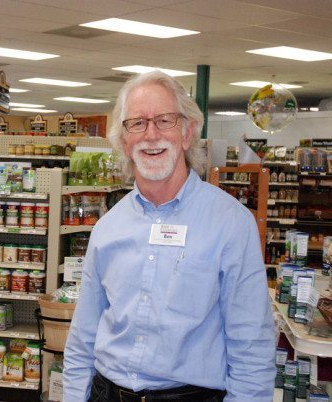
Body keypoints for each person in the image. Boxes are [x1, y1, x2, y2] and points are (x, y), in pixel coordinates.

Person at [63, 71, 276, 402]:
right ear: (123, 141)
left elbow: (252, 348)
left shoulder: (230, 223)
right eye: (137, 123)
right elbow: (82, 337)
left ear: (188, 132)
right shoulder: (108, 227)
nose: (151, 135)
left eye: (164, 120)